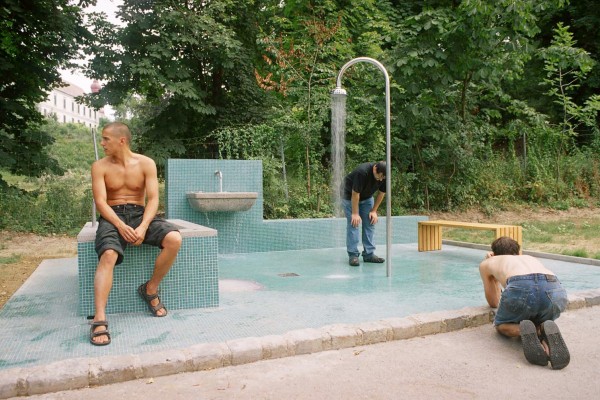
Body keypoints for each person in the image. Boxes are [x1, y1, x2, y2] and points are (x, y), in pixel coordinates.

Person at [89, 122, 182, 346]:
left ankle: (150, 289)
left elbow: (154, 199)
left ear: (121, 140)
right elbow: (100, 202)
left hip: (140, 214)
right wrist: (120, 226)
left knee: (174, 239)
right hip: (112, 216)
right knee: (108, 254)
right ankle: (99, 317)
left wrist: (143, 226)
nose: (102, 143)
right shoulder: (99, 166)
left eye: (106, 139)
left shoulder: (146, 163)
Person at [479, 236, 570, 369]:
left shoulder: (489, 262)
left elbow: (493, 302)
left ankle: (534, 330)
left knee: (501, 325)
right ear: (519, 252)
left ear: (493, 253)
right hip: (555, 288)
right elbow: (537, 284)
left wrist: (493, 274)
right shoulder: (530, 258)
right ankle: (544, 335)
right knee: (540, 318)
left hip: (521, 285)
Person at [340, 161, 386, 267]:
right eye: (379, 177)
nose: (380, 180)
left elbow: (382, 193)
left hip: (367, 198)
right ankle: (353, 255)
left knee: (370, 222)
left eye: (382, 178)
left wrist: (374, 211)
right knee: (354, 223)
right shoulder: (362, 172)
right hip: (349, 196)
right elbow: (355, 194)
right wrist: (355, 213)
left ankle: (369, 254)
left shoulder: (384, 175)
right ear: (375, 169)